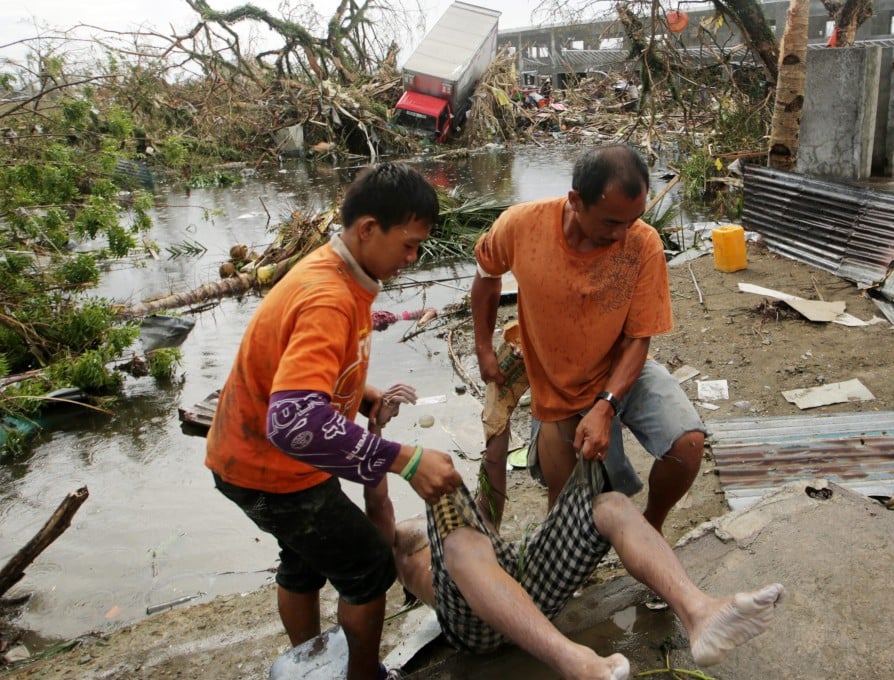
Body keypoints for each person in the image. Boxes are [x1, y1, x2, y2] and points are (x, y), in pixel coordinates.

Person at [204, 163, 463, 680]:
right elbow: (295, 421)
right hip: (267, 469)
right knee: (369, 567)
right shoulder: (328, 296)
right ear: (368, 229)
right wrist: (405, 461)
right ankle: (361, 676)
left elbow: (299, 376)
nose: (411, 260)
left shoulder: (343, 273)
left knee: (304, 560)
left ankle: (316, 665)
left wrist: (361, 397)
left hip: (252, 456)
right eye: (407, 245)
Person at [471, 144, 705, 533]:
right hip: (558, 391)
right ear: (576, 201)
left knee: (688, 446)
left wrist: (606, 406)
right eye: (611, 222)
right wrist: (482, 347)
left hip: (622, 373)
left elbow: (638, 338)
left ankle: (652, 526)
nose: (621, 234)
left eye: (632, 220)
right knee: (568, 513)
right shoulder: (521, 226)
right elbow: (485, 274)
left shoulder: (642, 244)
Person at [394, 457, 785, 678]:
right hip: (471, 622)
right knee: (458, 531)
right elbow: (375, 525)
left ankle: (700, 614)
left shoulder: (469, 532)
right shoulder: (409, 554)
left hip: (515, 586)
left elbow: (491, 509)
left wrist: (498, 418)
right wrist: (389, 452)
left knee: (610, 504)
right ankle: (577, 664)